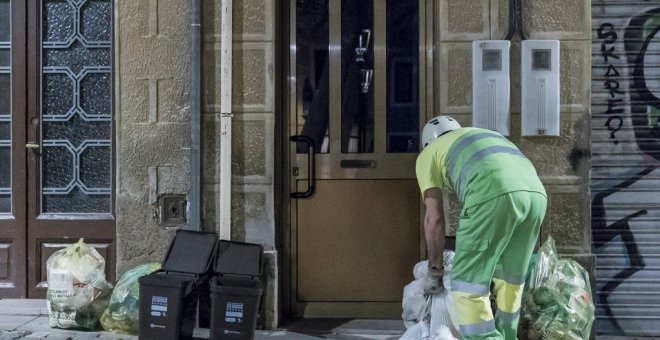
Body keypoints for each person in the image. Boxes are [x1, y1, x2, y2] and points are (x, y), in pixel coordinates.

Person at [415, 115, 547, 339]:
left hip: (491, 193)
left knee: (468, 286)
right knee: (510, 280)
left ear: (428, 141)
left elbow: (434, 218)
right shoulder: (483, 136)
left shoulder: (429, 153)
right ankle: (507, 335)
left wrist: (435, 270)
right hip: (536, 196)